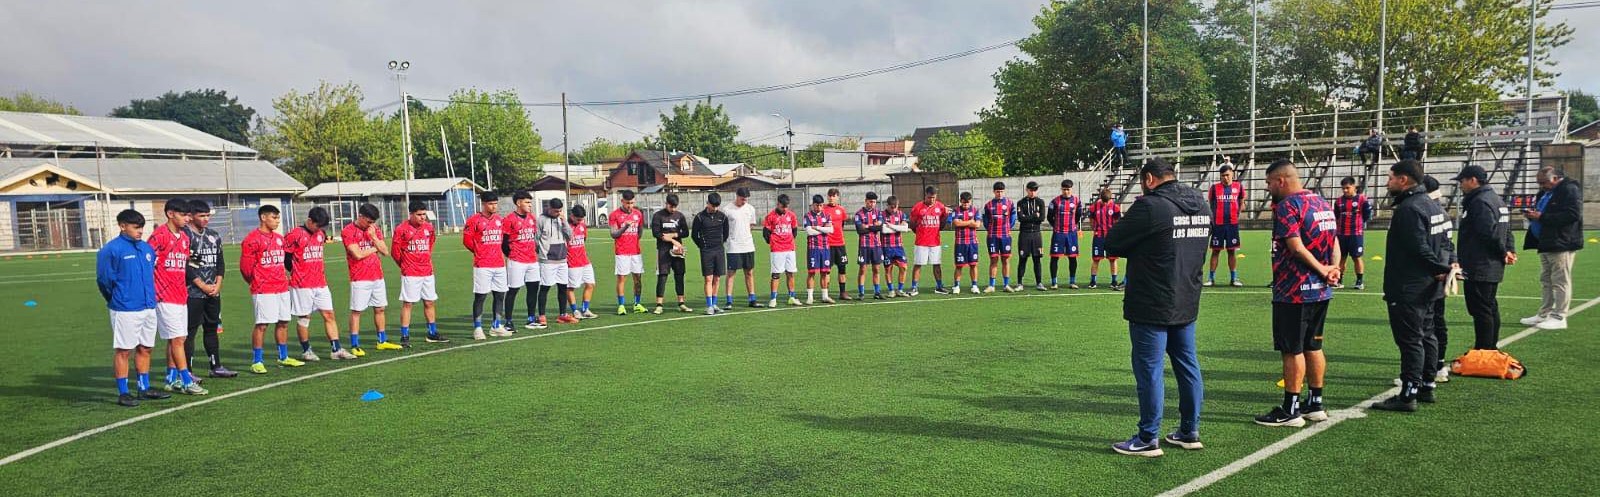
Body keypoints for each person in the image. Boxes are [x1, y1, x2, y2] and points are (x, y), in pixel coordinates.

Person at [1104, 158, 1209, 457]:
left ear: (1149, 179)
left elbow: (1113, 242)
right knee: (1188, 365)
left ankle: (1148, 437)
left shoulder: (1150, 206)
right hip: (1186, 297)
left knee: (1149, 370)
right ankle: (1189, 430)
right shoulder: (1201, 203)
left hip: (1152, 300)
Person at [1255, 159, 1340, 428]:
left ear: (1281, 180)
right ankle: (1315, 403)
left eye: (1269, 182)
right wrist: (1332, 268)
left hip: (1294, 290)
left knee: (1292, 350)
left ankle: (1290, 408)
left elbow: (1296, 247)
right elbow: (1335, 239)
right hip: (1320, 291)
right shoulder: (1320, 202)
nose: (1268, 188)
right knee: (1313, 345)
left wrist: (1322, 268)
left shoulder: (1288, 206)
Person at [1372, 160, 1453, 413]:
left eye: (1391, 177)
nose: (1388, 182)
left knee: (1410, 341)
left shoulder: (1410, 208)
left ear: (1403, 180)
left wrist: (1441, 269)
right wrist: (1444, 268)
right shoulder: (1432, 205)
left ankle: (1408, 394)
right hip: (1428, 286)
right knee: (1427, 334)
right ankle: (1427, 385)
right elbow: (1446, 244)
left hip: (1409, 286)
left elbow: (1419, 248)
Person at [99, 209, 172, 406]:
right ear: (122, 226)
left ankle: (143, 388)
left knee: (146, 348)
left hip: (148, 306)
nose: (140, 231)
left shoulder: (146, 249)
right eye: (135, 227)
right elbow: (104, 281)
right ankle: (123, 392)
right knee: (124, 350)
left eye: (142, 227)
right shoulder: (111, 249)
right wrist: (118, 299)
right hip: (125, 308)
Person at [1452, 166, 1517, 351]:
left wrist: (1504, 251)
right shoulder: (1497, 199)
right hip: (1489, 262)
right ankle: (1489, 346)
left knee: (1481, 309)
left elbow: (1488, 233)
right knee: (1488, 306)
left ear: (1473, 180)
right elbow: (1506, 230)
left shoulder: (1480, 202)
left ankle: (1484, 349)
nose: (1461, 185)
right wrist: (1509, 250)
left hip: (1481, 263)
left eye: (1462, 181)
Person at [149, 199, 205, 395]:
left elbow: (186, 264)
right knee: (178, 339)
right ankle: (187, 380)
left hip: (181, 295)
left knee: (176, 339)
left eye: (188, 215)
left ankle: (171, 379)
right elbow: (148, 265)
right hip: (164, 296)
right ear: (170, 214)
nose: (187, 218)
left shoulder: (184, 238)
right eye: (183, 215)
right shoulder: (158, 236)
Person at [285, 206, 355, 361]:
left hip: (321, 283)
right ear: (310, 221)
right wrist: (298, 273)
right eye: (317, 225)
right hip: (302, 285)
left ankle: (336, 349)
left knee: (329, 314)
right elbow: (287, 258)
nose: (319, 229)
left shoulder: (321, 234)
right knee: (305, 317)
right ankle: (306, 350)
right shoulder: (294, 234)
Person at [240, 205, 303, 374]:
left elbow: (281, 263)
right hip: (263, 290)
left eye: (278, 218)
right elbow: (246, 269)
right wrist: (257, 283)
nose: (277, 221)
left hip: (281, 287)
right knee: (262, 324)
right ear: (263, 217)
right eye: (274, 218)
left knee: (283, 322)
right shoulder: (252, 239)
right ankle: (257, 361)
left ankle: (283, 357)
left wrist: (283, 276)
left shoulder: (279, 238)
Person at [1519, 166, 1584, 330]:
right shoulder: (1545, 192)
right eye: (1539, 183)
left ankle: (1559, 316)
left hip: (1561, 242)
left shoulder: (1569, 190)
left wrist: (1542, 217)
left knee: (1560, 280)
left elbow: (1573, 214)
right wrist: (1533, 214)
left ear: (1555, 178)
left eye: (1543, 182)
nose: (1541, 186)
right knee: (1546, 279)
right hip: (1545, 241)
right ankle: (1544, 313)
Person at [184, 200, 235, 377]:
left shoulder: (213, 236)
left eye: (208, 215)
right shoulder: (185, 236)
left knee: (212, 328)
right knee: (190, 332)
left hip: (213, 292)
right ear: (190, 216)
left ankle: (216, 366)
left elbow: (219, 263)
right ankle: (187, 372)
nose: (206, 219)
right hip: (193, 293)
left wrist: (217, 284)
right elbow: (188, 266)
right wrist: (202, 285)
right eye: (202, 216)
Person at [343, 203, 396, 352]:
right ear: (360, 217)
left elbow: (385, 251)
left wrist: (373, 237)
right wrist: (375, 248)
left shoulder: (374, 230)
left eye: (373, 222)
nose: (371, 225)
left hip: (377, 276)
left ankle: (382, 340)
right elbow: (357, 254)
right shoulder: (348, 231)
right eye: (368, 221)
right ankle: (355, 345)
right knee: (357, 311)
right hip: (359, 278)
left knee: (380, 309)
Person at [392, 201, 446, 343]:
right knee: (408, 304)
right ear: (411, 214)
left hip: (427, 272)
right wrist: (405, 265)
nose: (423, 217)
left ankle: (432, 332)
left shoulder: (429, 228)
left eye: (424, 214)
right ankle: (404, 335)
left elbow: (430, 244)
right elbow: (395, 252)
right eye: (419, 215)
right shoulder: (401, 229)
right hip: (410, 273)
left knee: (429, 302)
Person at [463, 192, 509, 338]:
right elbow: (467, 240)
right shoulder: (474, 220)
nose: (494, 206)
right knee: (481, 296)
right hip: (482, 264)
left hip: (499, 263)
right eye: (490, 204)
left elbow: (501, 240)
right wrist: (479, 252)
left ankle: (496, 325)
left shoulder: (499, 220)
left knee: (500, 294)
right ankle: (477, 328)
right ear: (483, 203)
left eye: (495, 203)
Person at [720, 188, 765, 309]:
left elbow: (751, 225)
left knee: (749, 272)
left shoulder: (750, 209)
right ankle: (729, 300)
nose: (744, 201)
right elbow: (723, 228)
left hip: (748, 245)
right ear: (737, 196)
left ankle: (752, 299)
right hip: (733, 246)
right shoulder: (727, 209)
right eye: (742, 199)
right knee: (731, 273)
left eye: (746, 199)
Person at [504, 192, 542, 330]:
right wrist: (512, 255)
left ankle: (531, 318)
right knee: (513, 290)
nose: (530, 205)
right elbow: (504, 242)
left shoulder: (532, 218)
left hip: (532, 260)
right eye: (527, 202)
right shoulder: (509, 219)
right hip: (517, 261)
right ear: (518, 203)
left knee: (533, 289)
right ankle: (508, 321)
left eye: (530, 203)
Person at [536, 197, 577, 324]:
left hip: (562, 260)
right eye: (555, 211)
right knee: (545, 287)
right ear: (549, 208)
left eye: (559, 211)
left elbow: (570, 236)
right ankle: (542, 315)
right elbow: (536, 239)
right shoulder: (541, 220)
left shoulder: (562, 219)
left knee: (562, 287)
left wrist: (564, 222)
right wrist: (543, 253)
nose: (557, 213)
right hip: (547, 260)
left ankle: (562, 314)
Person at [651, 194, 692, 314]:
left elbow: (685, 232)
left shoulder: (680, 216)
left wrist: (674, 235)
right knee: (662, 276)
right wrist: (672, 240)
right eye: (671, 206)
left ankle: (681, 303)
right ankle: (659, 304)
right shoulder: (658, 216)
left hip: (677, 250)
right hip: (663, 250)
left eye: (675, 207)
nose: (673, 209)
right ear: (666, 203)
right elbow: (656, 233)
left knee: (679, 275)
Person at [1206, 165, 1246, 287]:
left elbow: (1242, 198)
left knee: (1231, 251)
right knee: (1215, 251)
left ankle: (1234, 278)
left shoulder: (1238, 187)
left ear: (1232, 174)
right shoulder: (1214, 188)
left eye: (1227, 175)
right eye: (1223, 175)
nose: (1225, 178)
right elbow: (1210, 204)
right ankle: (1211, 279)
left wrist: (1241, 206)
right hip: (1218, 224)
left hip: (1232, 224)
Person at [1332, 177, 1375, 290]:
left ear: (1354, 187)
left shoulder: (1362, 200)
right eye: (1343, 188)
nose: (1345, 190)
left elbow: (1366, 215)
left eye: (1347, 188)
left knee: (1357, 257)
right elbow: (1336, 216)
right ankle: (1339, 280)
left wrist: (1359, 224)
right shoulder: (1338, 201)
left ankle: (1359, 281)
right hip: (1341, 234)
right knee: (1341, 258)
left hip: (1355, 234)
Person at [611, 190, 649, 315]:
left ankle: (637, 304)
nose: (630, 206)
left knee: (638, 278)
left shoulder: (638, 214)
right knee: (622, 278)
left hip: (636, 252)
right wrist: (625, 227)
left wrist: (634, 240)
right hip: (621, 252)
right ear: (622, 201)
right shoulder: (614, 215)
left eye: (632, 203)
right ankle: (621, 305)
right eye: (627, 203)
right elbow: (613, 234)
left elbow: (640, 231)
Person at [693, 192, 731, 315]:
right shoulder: (699, 217)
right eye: (713, 206)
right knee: (708, 278)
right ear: (707, 203)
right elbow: (694, 235)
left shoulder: (723, 217)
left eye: (717, 206)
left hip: (719, 250)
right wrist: (703, 246)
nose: (715, 208)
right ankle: (709, 305)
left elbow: (725, 233)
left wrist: (720, 243)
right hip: (706, 251)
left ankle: (714, 304)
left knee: (717, 278)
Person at [763, 194, 803, 307]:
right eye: (782, 206)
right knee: (776, 274)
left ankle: (791, 297)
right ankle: (773, 298)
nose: (785, 209)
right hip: (777, 249)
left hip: (789, 249)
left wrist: (788, 241)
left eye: (786, 207)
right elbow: (766, 233)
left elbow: (795, 231)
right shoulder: (770, 216)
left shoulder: (792, 216)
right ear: (778, 204)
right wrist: (773, 242)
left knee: (790, 273)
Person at [910, 186, 951, 294]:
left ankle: (939, 286)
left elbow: (942, 225)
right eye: (929, 197)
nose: (931, 200)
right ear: (925, 195)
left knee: (937, 264)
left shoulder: (940, 207)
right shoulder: (917, 207)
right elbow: (912, 225)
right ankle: (914, 287)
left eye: (933, 197)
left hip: (935, 242)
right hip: (921, 242)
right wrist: (920, 233)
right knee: (918, 264)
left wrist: (946, 215)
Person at [1047, 180, 1084, 289]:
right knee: (1055, 258)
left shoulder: (1077, 201)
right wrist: (1056, 226)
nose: (1066, 191)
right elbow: (1050, 217)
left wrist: (1072, 225)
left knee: (1072, 258)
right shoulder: (1055, 201)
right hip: (1058, 233)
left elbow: (1078, 215)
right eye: (1064, 189)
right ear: (1061, 189)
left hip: (1071, 234)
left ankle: (1072, 282)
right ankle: (1054, 282)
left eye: (1068, 189)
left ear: (1071, 189)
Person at [983, 181, 1019, 292]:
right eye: (997, 191)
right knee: (993, 260)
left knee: (1005, 260)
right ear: (994, 192)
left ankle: (1006, 285)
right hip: (992, 236)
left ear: (1004, 191)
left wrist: (1009, 227)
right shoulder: (988, 205)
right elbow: (985, 220)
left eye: (1001, 191)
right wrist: (990, 229)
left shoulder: (1009, 203)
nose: (999, 194)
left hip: (1005, 236)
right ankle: (992, 285)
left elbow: (1013, 216)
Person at [565, 205, 598, 319]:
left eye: (582, 219)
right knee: (570, 287)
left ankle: (585, 309)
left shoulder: (583, 226)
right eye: (578, 219)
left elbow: (583, 240)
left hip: (584, 261)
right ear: (572, 216)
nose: (580, 221)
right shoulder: (565, 227)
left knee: (590, 284)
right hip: (572, 262)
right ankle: (575, 311)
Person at [803, 194, 836, 304]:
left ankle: (825, 296)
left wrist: (816, 227)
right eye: (817, 205)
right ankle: (810, 297)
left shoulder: (827, 215)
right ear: (813, 205)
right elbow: (809, 232)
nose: (819, 208)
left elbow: (831, 230)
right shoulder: (807, 216)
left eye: (821, 205)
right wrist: (823, 229)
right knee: (812, 272)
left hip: (825, 248)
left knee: (824, 273)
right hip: (813, 248)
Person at [1088, 188, 1123, 289]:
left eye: (1107, 201)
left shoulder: (1115, 208)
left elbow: (1117, 221)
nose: (1105, 203)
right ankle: (1093, 281)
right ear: (1100, 198)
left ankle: (1114, 281)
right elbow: (1091, 219)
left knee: (1112, 259)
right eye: (1104, 201)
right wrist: (1094, 228)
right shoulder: (1094, 207)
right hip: (1098, 236)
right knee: (1096, 259)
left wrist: (1114, 233)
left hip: (1111, 237)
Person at [853, 192, 886, 299]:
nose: (872, 204)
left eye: (874, 202)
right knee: (863, 269)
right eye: (870, 201)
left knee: (876, 269)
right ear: (866, 201)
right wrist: (873, 226)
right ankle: (861, 292)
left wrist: (867, 226)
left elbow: (880, 228)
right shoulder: (859, 214)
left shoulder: (879, 213)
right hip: (864, 245)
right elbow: (860, 230)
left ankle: (877, 292)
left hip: (876, 245)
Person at [949, 192, 982, 294]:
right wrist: (970, 222)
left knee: (973, 264)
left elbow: (977, 225)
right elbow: (955, 223)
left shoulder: (975, 210)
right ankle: (956, 286)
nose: (966, 205)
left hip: (972, 242)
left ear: (970, 201)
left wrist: (963, 222)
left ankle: (974, 285)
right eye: (964, 203)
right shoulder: (956, 210)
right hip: (960, 243)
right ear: (961, 201)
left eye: (967, 203)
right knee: (959, 265)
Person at [1017, 181, 1048, 291]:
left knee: (1037, 259)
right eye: (1031, 190)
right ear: (1027, 190)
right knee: (1023, 259)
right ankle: (1020, 283)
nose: (1033, 192)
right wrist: (1034, 215)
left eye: (1035, 190)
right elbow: (1021, 219)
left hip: (1036, 234)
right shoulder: (1021, 203)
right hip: (1024, 234)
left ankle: (1039, 283)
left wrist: (1029, 217)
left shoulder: (1040, 202)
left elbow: (1041, 218)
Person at [824, 188, 853, 300]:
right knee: (827, 270)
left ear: (837, 197)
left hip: (840, 243)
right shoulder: (824, 210)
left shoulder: (841, 210)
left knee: (842, 269)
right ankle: (826, 293)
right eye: (830, 195)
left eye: (834, 195)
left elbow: (842, 225)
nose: (831, 198)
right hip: (828, 244)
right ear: (827, 197)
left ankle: (843, 293)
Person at [881, 196, 912, 297]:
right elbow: (884, 230)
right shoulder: (882, 215)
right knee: (888, 269)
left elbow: (905, 228)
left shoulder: (901, 214)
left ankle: (900, 289)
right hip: (886, 246)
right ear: (887, 205)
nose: (893, 209)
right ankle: (891, 290)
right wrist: (899, 228)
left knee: (904, 267)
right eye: (891, 207)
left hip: (898, 246)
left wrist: (892, 226)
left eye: (895, 207)